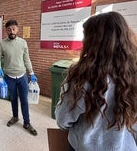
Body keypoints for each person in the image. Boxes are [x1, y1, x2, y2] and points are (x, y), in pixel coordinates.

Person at [55, 12, 137, 151]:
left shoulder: (83, 76)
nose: (82, 41)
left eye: (85, 36)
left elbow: (63, 120)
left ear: (94, 41)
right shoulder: (133, 74)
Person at [0, 19, 38, 136]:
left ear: (17, 29)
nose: (11, 31)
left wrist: (32, 73)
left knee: (24, 100)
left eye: (13, 29)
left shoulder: (23, 43)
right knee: (13, 98)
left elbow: (26, 59)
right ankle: (15, 117)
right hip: (9, 76)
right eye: (9, 29)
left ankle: (27, 123)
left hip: (22, 76)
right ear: (6, 31)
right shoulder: (2, 43)